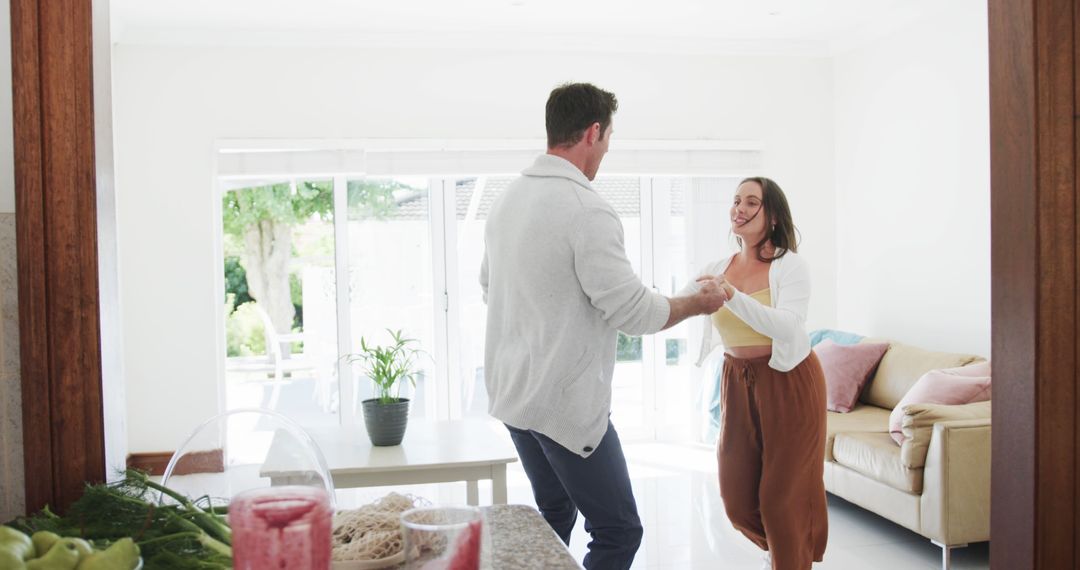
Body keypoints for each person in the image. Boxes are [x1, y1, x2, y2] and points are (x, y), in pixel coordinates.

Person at [479, 82, 728, 570]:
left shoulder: (508, 200)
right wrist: (698, 302)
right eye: (608, 139)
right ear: (594, 131)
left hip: (515, 397)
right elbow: (635, 312)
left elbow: (491, 285)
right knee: (618, 531)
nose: (606, 153)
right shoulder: (586, 207)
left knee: (552, 512)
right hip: (561, 409)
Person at [683, 177, 828, 570]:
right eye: (735, 201)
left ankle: (788, 556)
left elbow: (787, 327)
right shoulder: (717, 268)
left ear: (773, 215)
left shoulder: (790, 266)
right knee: (735, 499)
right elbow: (684, 305)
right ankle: (787, 549)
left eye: (751, 202)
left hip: (789, 382)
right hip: (736, 380)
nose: (739, 209)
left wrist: (732, 295)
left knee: (783, 501)